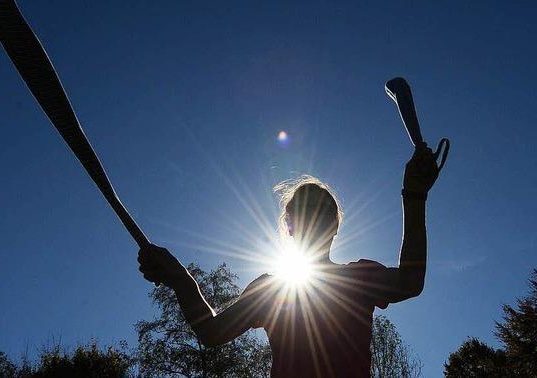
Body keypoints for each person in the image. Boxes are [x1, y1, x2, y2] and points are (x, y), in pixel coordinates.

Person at [138, 145, 441, 377]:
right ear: (290, 225)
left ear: (334, 227)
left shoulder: (357, 277)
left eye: (320, 212)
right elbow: (212, 332)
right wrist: (179, 278)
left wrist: (414, 196)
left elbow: (410, 282)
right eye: (305, 212)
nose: (312, 219)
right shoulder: (271, 290)